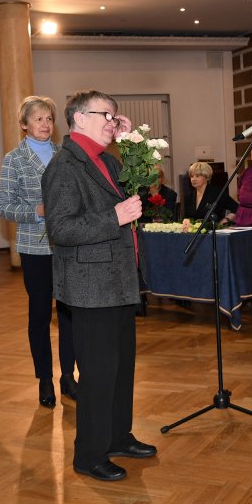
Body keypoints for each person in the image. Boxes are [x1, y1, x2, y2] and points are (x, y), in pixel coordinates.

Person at [41, 90, 156, 482]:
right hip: (90, 287)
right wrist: (115, 216)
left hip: (119, 281)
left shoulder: (106, 159)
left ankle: (117, 437)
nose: (112, 120)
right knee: (97, 373)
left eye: (114, 114)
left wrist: (126, 137)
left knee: (122, 368)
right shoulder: (64, 166)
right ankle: (89, 454)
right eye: (104, 114)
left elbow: (140, 179)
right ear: (78, 119)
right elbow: (60, 229)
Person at [0, 96, 78, 408]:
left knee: (70, 312)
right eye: (39, 119)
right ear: (24, 125)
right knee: (40, 314)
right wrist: (38, 211)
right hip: (35, 248)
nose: (46, 124)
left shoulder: (65, 155)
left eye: (49, 118)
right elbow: (3, 205)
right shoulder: (13, 159)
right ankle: (45, 377)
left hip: (68, 244)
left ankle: (68, 376)